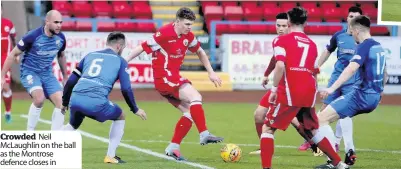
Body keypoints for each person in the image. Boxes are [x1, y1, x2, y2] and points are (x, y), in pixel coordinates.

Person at [125, 7, 223, 160]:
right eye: (186, 24)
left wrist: (211, 72)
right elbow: (141, 47)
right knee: (196, 97)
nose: (189, 28)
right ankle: (204, 134)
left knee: (191, 112)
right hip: (164, 77)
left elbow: (200, 52)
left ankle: (173, 147)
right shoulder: (164, 33)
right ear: (177, 22)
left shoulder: (188, 36)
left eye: (191, 24)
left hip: (171, 78)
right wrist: (124, 62)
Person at [60, 32, 147, 164]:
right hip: (95, 102)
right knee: (121, 115)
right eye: (123, 47)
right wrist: (135, 109)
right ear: (119, 46)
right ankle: (110, 156)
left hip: (76, 99)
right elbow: (126, 89)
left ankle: (49, 146)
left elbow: (71, 82)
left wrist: (65, 102)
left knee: (72, 125)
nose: (123, 50)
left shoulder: (90, 55)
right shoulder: (121, 61)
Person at [314, 15, 388, 169]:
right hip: (373, 98)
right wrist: (380, 92)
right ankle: (349, 150)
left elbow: (351, 68)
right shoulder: (379, 47)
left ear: (356, 30)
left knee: (320, 119)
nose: (352, 35)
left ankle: (335, 163)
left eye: (352, 32)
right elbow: (385, 74)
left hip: (360, 96)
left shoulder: (363, 46)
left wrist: (331, 88)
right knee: (344, 115)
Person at [259, 7, 328, 169]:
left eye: (283, 25)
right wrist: (266, 74)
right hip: (304, 89)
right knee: (260, 115)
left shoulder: (284, 41)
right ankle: (337, 162)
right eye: (278, 25)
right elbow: (276, 60)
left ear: (289, 24)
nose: (281, 28)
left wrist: (274, 88)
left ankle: (267, 158)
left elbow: (280, 64)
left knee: (273, 125)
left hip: (288, 88)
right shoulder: (310, 43)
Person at [299, 6, 363, 160]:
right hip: (336, 79)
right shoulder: (339, 36)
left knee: (345, 112)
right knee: (324, 108)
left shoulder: (362, 40)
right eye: (350, 16)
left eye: (356, 16)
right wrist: (315, 66)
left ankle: (338, 143)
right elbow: (328, 51)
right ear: (347, 18)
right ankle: (313, 138)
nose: (353, 19)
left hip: (351, 81)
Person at [1, 10, 67, 130]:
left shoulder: (61, 38)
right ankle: (30, 134)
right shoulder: (32, 36)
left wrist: (65, 77)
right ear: (47, 22)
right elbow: (12, 54)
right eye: (56, 22)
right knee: (39, 99)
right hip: (29, 72)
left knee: (62, 105)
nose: (59, 25)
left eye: (61, 22)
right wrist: (2, 76)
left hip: (47, 74)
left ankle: (55, 140)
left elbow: (61, 55)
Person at [1, 4, 17, 123]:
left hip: (5, 61)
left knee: (5, 87)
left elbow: (13, 39)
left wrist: (16, 54)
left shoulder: (8, 23)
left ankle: (8, 112)